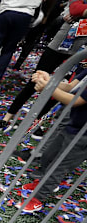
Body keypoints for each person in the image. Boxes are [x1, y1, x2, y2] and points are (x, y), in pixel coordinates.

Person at [0, 0, 87, 131]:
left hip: (80, 51)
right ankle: (7, 118)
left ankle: (36, 124)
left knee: (62, 89)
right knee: (35, 79)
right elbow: (75, 9)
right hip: (59, 44)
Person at [20, 69, 87, 212]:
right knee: (49, 155)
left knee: (59, 166)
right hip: (73, 125)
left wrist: (48, 87)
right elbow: (70, 88)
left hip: (83, 135)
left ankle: (38, 198)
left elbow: (76, 101)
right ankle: (42, 182)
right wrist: (48, 80)